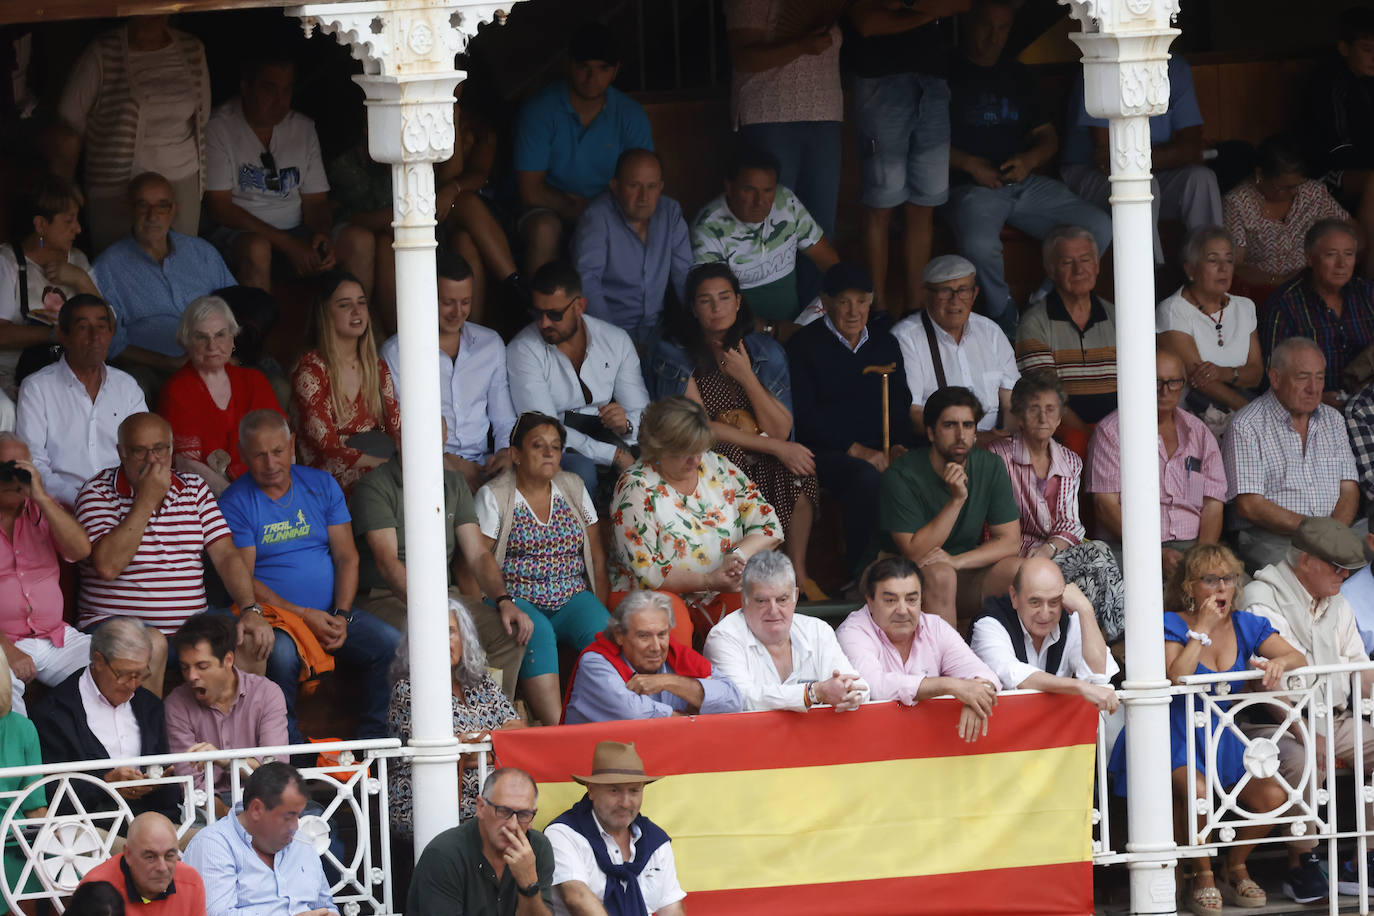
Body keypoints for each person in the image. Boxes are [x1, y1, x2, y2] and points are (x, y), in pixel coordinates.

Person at [1106, 543, 1305, 914]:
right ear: (1189, 588)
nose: (1221, 588)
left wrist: (1279, 666)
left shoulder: (1248, 624)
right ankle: (1202, 874)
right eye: (1210, 579)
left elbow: (1298, 656)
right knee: (1197, 792)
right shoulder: (1173, 623)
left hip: (1222, 734)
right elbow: (1177, 675)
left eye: (1228, 578)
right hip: (1171, 733)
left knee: (1275, 797)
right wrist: (1201, 628)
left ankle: (1235, 865)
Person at [218, 409, 400, 744]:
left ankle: (374, 742)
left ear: (292, 446)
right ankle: (290, 749)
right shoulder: (236, 501)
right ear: (243, 456)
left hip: (332, 612)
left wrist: (343, 615)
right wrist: (302, 616)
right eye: (259, 455)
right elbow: (243, 578)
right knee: (281, 654)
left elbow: (347, 557)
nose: (270, 463)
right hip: (275, 617)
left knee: (390, 643)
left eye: (277, 451)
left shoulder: (320, 485)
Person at [645, 263, 820, 593]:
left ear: (738, 302)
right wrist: (776, 447)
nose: (716, 308)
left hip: (760, 440)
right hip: (708, 449)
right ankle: (744, 570)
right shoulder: (676, 353)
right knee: (729, 459)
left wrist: (746, 377)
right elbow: (695, 426)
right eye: (706, 301)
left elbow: (781, 428)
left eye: (724, 298)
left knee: (800, 469)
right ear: (693, 308)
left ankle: (796, 571)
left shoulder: (762, 351)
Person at [945, 1, 1112, 336]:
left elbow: (1046, 137)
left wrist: (1028, 161)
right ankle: (1004, 316)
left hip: (1023, 183)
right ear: (968, 23)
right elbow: (925, 142)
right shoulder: (946, 72)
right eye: (986, 27)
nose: (994, 37)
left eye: (1003, 28)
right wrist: (970, 165)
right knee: (979, 243)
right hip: (972, 187)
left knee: (1100, 225)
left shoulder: (1017, 74)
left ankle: (1044, 299)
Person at [76, 412, 270, 695]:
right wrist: (147, 498)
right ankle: (149, 739)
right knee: (151, 642)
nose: (152, 460)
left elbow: (226, 556)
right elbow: (107, 566)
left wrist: (250, 608)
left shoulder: (194, 489)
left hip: (190, 630)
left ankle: (231, 736)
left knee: (251, 638)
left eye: (159, 449)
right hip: (114, 627)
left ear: (171, 450)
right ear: (121, 452)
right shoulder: (97, 492)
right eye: (139, 451)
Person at [1239, 516, 1373, 903]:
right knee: (1304, 758)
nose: (1345, 575)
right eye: (1337, 567)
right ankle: (1302, 862)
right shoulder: (1261, 598)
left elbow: (1359, 667)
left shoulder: (1337, 599)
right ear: (1305, 562)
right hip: (1274, 723)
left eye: (1348, 568)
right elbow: (1269, 688)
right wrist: (1304, 732)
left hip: (1335, 717)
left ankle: (1362, 857)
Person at [348, 425, 526, 701]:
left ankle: (488, 721)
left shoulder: (453, 484)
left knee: (508, 633)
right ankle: (446, 724)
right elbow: (387, 562)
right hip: (384, 597)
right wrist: (429, 611)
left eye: (434, 435)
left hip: (445, 598)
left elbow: (478, 554)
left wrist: (503, 600)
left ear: (444, 439)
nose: (427, 443)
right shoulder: (376, 485)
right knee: (434, 640)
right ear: (398, 439)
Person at [474, 412, 609, 727]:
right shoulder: (495, 495)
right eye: (538, 446)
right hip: (516, 597)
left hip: (571, 594)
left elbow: (597, 557)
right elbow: (476, 560)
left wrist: (598, 606)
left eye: (556, 446)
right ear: (516, 455)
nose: (549, 453)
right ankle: (556, 731)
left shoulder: (573, 486)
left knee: (604, 631)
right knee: (537, 631)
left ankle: (609, 724)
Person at [609, 396, 781, 643]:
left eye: (699, 449)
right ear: (659, 447)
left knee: (764, 612)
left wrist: (738, 556)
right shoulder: (635, 485)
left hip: (719, 590)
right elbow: (646, 573)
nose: (696, 460)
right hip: (653, 595)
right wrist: (709, 581)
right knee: (671, 625)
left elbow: (769, 525)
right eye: (684, 453)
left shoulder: (718, 466)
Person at [786, 262, 917, 578]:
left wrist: (898, 445)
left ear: (872, 302)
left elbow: (900, 401)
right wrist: (856, 449)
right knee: (865, 477)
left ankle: (914, 567)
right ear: (826, 303)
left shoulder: (885, 342)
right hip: (827, 453)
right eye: (844, 301)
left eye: (861, 301)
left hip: (883, 447)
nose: (853, 310)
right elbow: (804, 415)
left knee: (920, 468)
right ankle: (860, 572)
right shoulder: (805, 345)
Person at [844, 0, 967, 315]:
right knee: (880, 206)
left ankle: (916, 309)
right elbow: (867, 21)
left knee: (923, 206)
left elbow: (961, 4)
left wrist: (904, 8)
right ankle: (878, 310)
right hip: (878, 80)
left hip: (934, 83)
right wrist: (928, 10)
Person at [988, 371, 1124, 641]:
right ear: (1018, 415)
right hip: (1012, 556)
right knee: (1097, 553)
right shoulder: (998, 456)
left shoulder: (1070, 461)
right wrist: (1038, 552)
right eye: (1034, 409)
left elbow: (1070, 523)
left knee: (1093, 564)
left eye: (1050, 410)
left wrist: (1048, 549)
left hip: (1054, 553)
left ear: (1060, 417)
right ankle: (1111, 643)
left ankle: (1088, 645)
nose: (1043, 417)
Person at [57, 17, 208, 253]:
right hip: (116, 183)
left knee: (182, 261)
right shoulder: (104, 51)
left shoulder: (192, 48)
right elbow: (69, 116)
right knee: (118, 265)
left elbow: (202, 113)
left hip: (182, 177)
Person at [514, 23, 653, 278]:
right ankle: (540, 313)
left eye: (603, 69)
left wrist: (599, 213)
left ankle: (631, 316)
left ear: (616, 70)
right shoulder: (540, 110)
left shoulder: (630, 114)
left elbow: (643, 181)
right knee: (544, 228)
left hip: (612, 208)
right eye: (584, 67)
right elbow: (530, 190)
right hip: (550, 208)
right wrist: (574, 208)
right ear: (569, 64)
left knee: (656, 219)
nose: (592, 78)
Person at [879, 386, 1022, 627]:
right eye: (949, 425)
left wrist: (958, 561)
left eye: (968, 425)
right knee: (941, 574)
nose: (960, 435)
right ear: (931, 433)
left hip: (959, 571)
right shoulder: (901, 474)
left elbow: (1009, 541)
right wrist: (955, 501)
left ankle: (1018, 662)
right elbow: (915, 553)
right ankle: (951, 664)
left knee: (1020, 570)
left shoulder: (990, 465)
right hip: (901, 576)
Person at [1061, 54, 1221, 264]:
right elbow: (1107, 159)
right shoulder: (1099, 65)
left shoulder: (1174, 66)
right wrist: (1172, 154)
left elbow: (1192, 146)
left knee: (1202, 179)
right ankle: (1151, 274)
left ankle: (1211, 271)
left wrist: (1144, 158)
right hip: (1087, 174)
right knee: (1141, 185)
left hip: (1150, 168)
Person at [505, 261, 647, 497]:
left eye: (554, 314)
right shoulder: (523, 349)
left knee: (665, 454)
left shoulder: (615, 339)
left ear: (580, 306)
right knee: (582, 471)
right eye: (537, 313)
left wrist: (625, 425)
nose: (544, 323)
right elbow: (544, 428)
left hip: (609, 434)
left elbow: (641, 411)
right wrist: (614, 455)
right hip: (559, 443)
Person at [1088, 350, 1228, 580]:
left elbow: (1212, 504)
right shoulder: (1113, 432)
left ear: (1182, 385)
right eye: (1156, 381)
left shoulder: (1199, 433)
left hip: (1193, 547)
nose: (1165, 390)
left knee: (1240, 591)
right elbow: (1105, 506)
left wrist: (1200, 558)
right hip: (1131, 549)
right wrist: (1155, 554)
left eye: (1173, 382)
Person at [1222, 337, 1359, 570]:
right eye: (1303, 378)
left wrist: (1333, 536)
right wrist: (1318, 534)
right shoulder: (1247, 425)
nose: (1314, 388)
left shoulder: (1333, 420)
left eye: (1320, 377)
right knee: (1311, 575)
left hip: (1334, 534)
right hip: (1273, 538)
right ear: (1275, 378)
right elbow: (1251, 505)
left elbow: (1349, 489)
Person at [387, 600, 523, 833]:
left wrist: (476, 744)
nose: (441, 640)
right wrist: (497, 741)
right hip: (435, 802)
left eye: (449, 632)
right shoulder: (409, 690)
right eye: (432, 632)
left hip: (494, 797)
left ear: (464, 638)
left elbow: (519, 730)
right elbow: (450, 752)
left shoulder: (482, 683)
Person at [380, 253, 510, 493]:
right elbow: (398, 426)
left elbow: (503, 419)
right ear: (426, 296)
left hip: (485, 465)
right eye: (447, 302)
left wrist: (504, 452)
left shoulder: (491, 345)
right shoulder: (397, 352)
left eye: (466, 302)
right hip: (425, 465)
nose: (457, 312)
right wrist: (449, 461)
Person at [92, 172, 243, 378]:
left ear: (173, 210)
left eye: (162, 206)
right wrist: (169, 363)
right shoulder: (107, 267)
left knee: (275, 386)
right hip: (158, 370)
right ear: (130, 210)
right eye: (143, 205)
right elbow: (110, 344)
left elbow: (237, 310)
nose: (152, 216)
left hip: (218, 362)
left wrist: (228, 353)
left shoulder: (201, 252)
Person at [203, 57, 335, 291]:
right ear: (246, 87)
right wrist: (288, 244)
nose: (280, 101)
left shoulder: (302, 128)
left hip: (295, 230)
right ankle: (258, 326)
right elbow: (220, 207)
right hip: (239, 233)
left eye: (287, 90)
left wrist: (322, 235)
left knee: (356, 242)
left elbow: (316, 202)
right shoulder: (219, 126)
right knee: (257, 248)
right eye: (269, 89)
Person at [836, 557, 1001, 743]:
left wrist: (976, 696)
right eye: (890, 600)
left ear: (922, 600)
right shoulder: (852, 632)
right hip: (869, 748)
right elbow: (873, 686)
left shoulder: (935, 627)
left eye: (911, 599)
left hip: (927, 751)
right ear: (870, 601)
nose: (902, 610)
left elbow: (985, 674)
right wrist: (949, 685)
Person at [29, 617, 180, 820]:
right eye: (125, 674)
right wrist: (105, 782)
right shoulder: (55, 712)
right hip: (89, 831)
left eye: (141, 674)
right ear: (98, 661)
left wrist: (158, 782)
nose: (133, 684)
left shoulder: (149, 706)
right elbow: (49, 793)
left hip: (151, 824)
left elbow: (169, 793)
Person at [725, 0, 843, 248]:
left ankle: (814, 289)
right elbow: (743, 57)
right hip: (769, 115)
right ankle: (773, 287)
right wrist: (801, 45)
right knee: (769, 221)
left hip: (825, 113)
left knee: (819, 225)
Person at [15, 293, 146, 507]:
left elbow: (145, 450)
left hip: (124, 505)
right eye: (83, 327)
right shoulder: (37, 388)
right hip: (61, 507)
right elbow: (33, 462)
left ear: (111, 334)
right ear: (63, 336)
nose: (95, 336)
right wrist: (85, 502)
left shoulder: (127, 387)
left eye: (102, 327)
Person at [690, 145, 839, 324]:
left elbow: (830, 262)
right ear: (729, 188)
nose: (760, 201)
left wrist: (843, 298)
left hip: (794, 323)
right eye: (749, 190)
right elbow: (715, 311)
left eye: (768, 191)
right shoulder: (708, 229)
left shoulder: (785, 201)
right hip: (739, 332)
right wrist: (774, 331)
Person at [704, 551, 868, 712]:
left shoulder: (818, 630)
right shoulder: (723, 637)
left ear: (795, 596)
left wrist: (849, 693)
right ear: (744, 599)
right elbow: (740, 699)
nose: (773, 610)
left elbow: (861, 688)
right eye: (762, 601)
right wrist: (812, 693)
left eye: (782, 600)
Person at [0, 432, 93, 716]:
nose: (13, 476)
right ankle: (19, 760)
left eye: (21, 467)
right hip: (4, 640)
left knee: (109, 662)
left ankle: (103, 757)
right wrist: (8, 650)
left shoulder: (44, 508)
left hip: (55, 637)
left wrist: (39, 495)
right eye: (5, 468)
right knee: (1, 683)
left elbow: (80, 550)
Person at [157, 296, 283, 497]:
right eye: (201, 337)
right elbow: (186, 464)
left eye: (220, 335)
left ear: (233, 338)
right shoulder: (177, 389)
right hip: (212, 497)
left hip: (266, 487)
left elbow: (281, 444)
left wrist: (275, 490)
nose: (212, 345)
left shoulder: (254, 380)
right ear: (186, 341)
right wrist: (236, 498)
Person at [545, 741, 686, 916]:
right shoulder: (563, 834)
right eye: (614, 791)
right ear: (591, 790)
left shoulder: (655, 840)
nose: (625, 803)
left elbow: (671, 908)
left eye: (634, 791)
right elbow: (577, 898)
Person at [292, 271, 400, 496]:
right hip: (328, 477)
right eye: (344, 305)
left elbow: (396, 428)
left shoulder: (378, 367)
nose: (357, 311)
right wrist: (387, 467)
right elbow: (327, 448)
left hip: (379, 464)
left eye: (362, 303)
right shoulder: (311, 372)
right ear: (325, 313)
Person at [563, 590, 742, 724]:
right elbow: (632, 713)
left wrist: (667, 682)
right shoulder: (595, 662)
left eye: (662, 634)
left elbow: (733, 701)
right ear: (619, 635)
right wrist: (688, 718)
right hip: (590, 768)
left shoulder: (676, 656)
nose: (656, 647)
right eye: (644, 636)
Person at [570, 148, 691, 346]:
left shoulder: (670, 213)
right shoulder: (597, 217)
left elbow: (684, 275)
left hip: (658, 330)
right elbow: (587, 281)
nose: (644, 196)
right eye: (634, 185)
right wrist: (617, 343)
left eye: (651, 186)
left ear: (661, 187)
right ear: (615, 186)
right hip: (608, 331)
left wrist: (702, 326)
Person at [182, 763, 337, 916]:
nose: (296, 826)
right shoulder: (214, 845)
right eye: (288, 817)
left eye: (298, 815)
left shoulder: (302, 842)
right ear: (256, 810)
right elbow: (216, 914)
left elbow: (325, 905)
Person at [163, 614, 287, 804]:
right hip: (207, 807)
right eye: (185, 667)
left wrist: (227, 762)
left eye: (202, 666)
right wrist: (232, 825)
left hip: (263, 800)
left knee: (316, 821)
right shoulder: (176, 704)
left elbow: (275, 772)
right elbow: (193, 788)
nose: (191, 676)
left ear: (228, 660)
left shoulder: (267, 693)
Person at [891, 255, 1018, 440]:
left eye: (963, 290)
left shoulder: (991, 333)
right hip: (938, 448)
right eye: (945, 291)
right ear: (926, 295)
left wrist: (1007, 437)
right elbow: (913, 414)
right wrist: (974, 440)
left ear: (974, 294)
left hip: (995, 444)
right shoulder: (906, 337)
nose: (955, 300)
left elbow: (1011, 403)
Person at [1014, 226, 1116, 455]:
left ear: (1097, 265)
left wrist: (1113, 435)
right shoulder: (1035, 322)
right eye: (1067, 262)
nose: (1079, 270)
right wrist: (1094, 439)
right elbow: (1046, 394)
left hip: (1116, 428)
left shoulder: (1117, 317)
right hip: (1065, 429)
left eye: (1086, 260)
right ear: (1051, 270)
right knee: (1073, 440)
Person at [970, 557, 1119, 710]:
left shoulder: (1069, 621)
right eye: (1035, 602)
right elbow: (1014, 675)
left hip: (1055, 731)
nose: (1045, 613)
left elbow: (1100, 677)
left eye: (1054, 602)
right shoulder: (990, 625)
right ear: (1014, 596)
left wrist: (1085, 610)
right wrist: (1080, 687)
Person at [1156, 226, 1264, 434]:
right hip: (1194, 417)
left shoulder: (1245, 307)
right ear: (1190, 269)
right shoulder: (1173, 310)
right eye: (1213, 260)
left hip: (1243, 412)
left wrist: (1221, 372)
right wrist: (1250, 412)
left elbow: (1256, 373)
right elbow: (1199, 381)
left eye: (1229, 260)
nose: (1223, 268)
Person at [0, 174, 100, 399]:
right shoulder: (8, 262)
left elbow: (107, 326)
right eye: (69, 221)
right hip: (15, 379)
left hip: (72, 373)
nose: (78, 229)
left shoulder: (78, 261)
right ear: (41, 225)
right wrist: (54, 334)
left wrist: (81, 280)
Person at [406, 767, 554, 916]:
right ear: (481, 807)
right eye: (503, 811)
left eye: (523, 814)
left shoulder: (538, 848)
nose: (512, 825)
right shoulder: (443, 855)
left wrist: (529, 886)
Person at [1259, 218, 1374, 400]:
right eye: (1330, 254)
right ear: (1309, 258)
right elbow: (1271, 377)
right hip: (1308, 410)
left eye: (1349, 254)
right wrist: (1316, 399)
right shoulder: (1284, 304)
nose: (1341, 264)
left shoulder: (1367, 295)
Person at [1224, 134, 1351, 293]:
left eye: (1296, 185)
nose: (1293, 193)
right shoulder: (1238, 203)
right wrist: (1280, 281)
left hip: (1318, 284)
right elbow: (1235, 266)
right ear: (1259, 175)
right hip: (1267, 291)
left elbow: (1352, 231)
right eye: (1283, 187)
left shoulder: (1312, 192)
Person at [1304, 7, 1374, 279]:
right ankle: (1369, 277)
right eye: (1368, 49)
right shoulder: (1329, 82)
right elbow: (1336, 150)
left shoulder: (1368, 83)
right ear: (1345, 48)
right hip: (1326, 172)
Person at [77, 813, 206, 916]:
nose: (162, 867)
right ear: (128, 854)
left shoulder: (190, 881)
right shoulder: (95, 891)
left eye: (169, 856)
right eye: (150, 857)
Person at [0, 651, 48, 916]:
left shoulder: (23, 728)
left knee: (68, 879)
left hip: (15, 839)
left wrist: (48, 849)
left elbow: (35, 807)